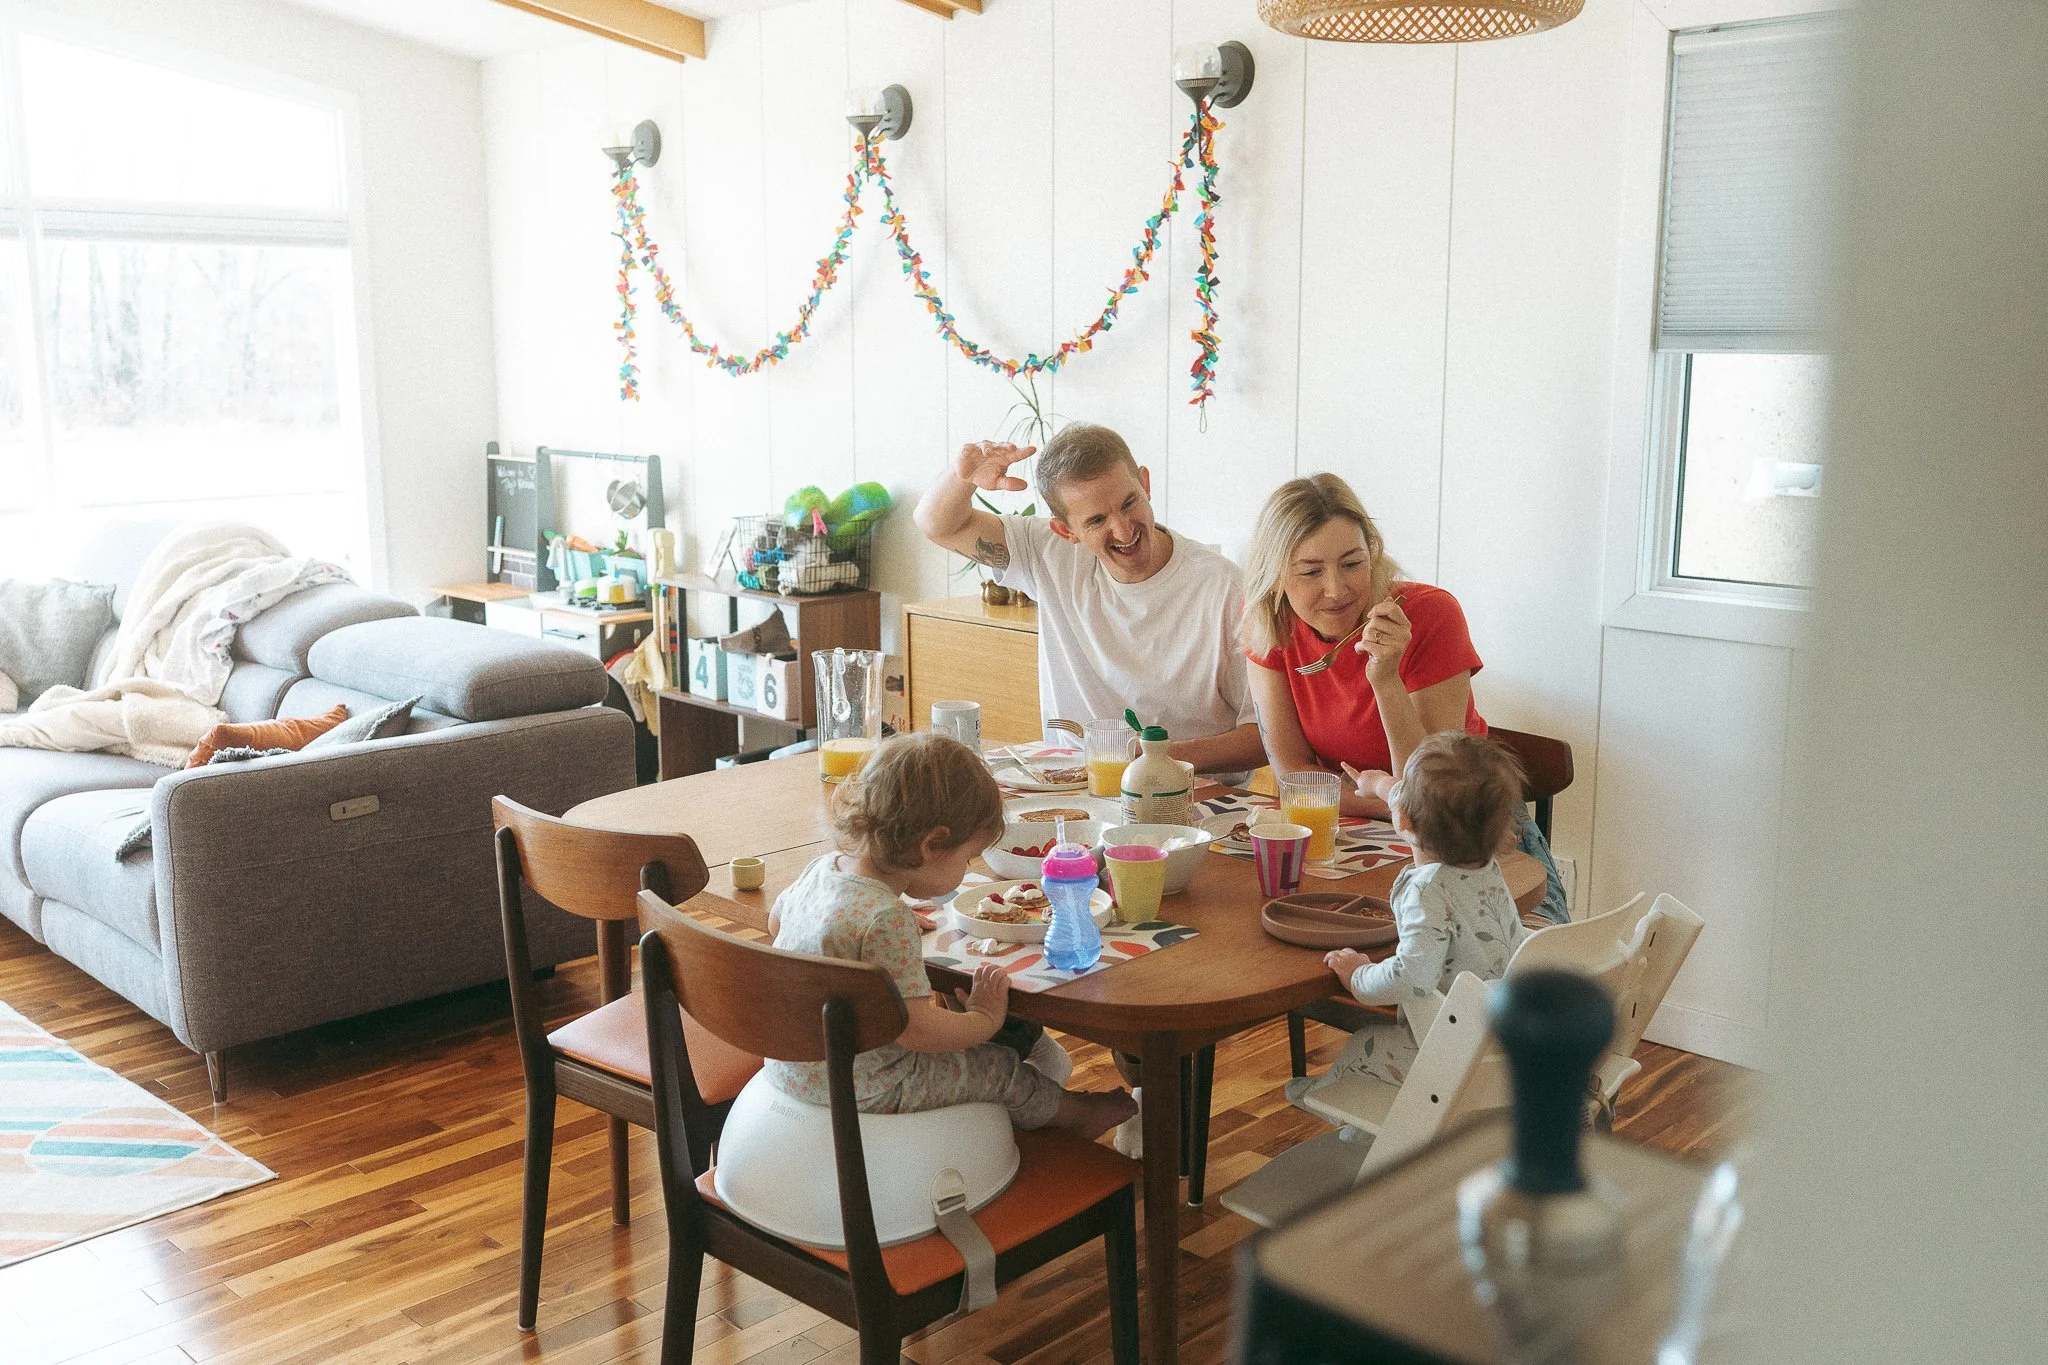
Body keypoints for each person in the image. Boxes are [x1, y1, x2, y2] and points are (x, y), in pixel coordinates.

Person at [765, 730, 1135, 1138]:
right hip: (867, 1087)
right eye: (967, 856)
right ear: (932, 844)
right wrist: (985, 1019)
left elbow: (777, 925)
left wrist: (865, 937)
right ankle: (1074, 1114)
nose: (967, 867)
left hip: (792, 1070)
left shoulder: (823, 870)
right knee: (997, 1068)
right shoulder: (885, 919)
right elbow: (919, 1032)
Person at [1240, 472, 1567, 923]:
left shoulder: (1431, 615)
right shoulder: (1270, 626)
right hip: (1354, 835)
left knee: (1505, 970)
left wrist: (1385, 679)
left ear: (1372, 554)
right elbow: (1294, 777)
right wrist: (1394, 802)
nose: (1336, 589)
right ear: (1275, 578)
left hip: (1470, 835)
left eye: (1352, 564)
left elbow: (1437, 797)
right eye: (1311, 572)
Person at [913, 423, 1265, 775]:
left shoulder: (1226, 589)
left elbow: (1262, 735)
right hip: (1069, 785)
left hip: (1190, 798)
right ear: (1065, 531)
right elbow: (936, 524)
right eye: (1097, 521)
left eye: (1129, 503)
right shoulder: (1046, 553)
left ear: (1145, 483)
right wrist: (965, 477)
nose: (1125, 530)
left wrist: (1157, 761)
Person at [1286, 733, 1531, 1104]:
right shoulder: (1486, 867)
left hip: (1451, 1049)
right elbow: (1408, 801)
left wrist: (1358, 974)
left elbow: (1414, 977)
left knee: (1366, 1044)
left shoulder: (1427, 891)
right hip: (1501, 1037)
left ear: (1403, 821)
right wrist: (1377, 784)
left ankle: (1326, 1102)